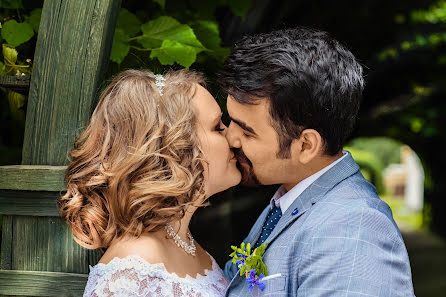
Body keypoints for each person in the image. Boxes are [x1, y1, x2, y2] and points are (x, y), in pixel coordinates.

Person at [219, 28, 415, 296]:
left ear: (306, 145)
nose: (230, 138)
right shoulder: (288, 199)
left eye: (246, 131)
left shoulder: (353, 228)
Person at [58, 69, 241, 296]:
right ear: (174, 148)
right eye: (217, 127)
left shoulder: (188, 244)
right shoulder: (130, 272)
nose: (233, 138)